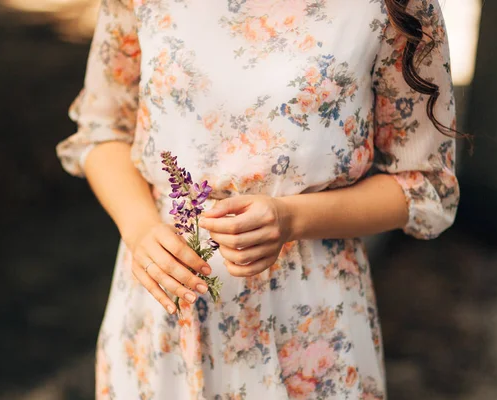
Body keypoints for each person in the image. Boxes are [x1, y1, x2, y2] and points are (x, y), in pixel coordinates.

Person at [56, 0, 459, 398]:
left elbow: (425, 185)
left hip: (308, 324)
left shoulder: (396, 6)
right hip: (161, 308)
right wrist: (140, 225)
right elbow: (103, 128)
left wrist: (292, 218)